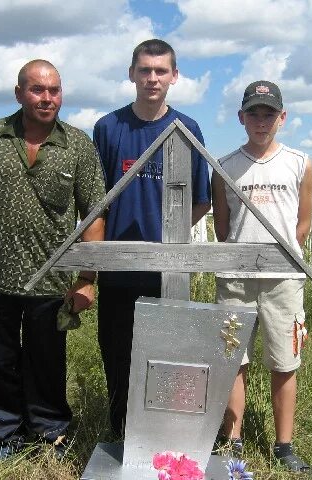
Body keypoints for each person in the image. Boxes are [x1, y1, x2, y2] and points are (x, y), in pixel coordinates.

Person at [0, 59, 106, 465]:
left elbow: (94, 215)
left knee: (47, 361)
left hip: (52, 282)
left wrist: (87, 278)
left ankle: (50, 433)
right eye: (37, 89)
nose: (47, 98)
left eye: (54, 90)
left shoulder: (77, 145)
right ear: (19, 92)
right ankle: (6, 434)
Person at [93, 39, 211, 437]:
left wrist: (168, 239)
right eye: (145, 70)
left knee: (169, 355)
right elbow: (96, 202)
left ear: (174, 76)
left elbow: (201, 201)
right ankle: (122, 435)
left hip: (168, 272)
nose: (152, 78)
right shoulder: (109, 129)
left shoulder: (187, 129)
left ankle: (163, 436)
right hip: (119, 269)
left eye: (161, 71)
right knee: (118, 354)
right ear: (132, 74)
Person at [211, 81, 312, 473]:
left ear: (282, 117)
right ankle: (232, 440)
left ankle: (284, 444)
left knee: (284, 361)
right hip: (235, 279)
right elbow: (223, 226)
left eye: (268, 113)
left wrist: (278, 256)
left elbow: (301, 225)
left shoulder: (300, 163)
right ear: (241, 118)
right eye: (253, 113)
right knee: (232, 359)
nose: (260, 120)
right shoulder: (224, 166)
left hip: (284, 279)